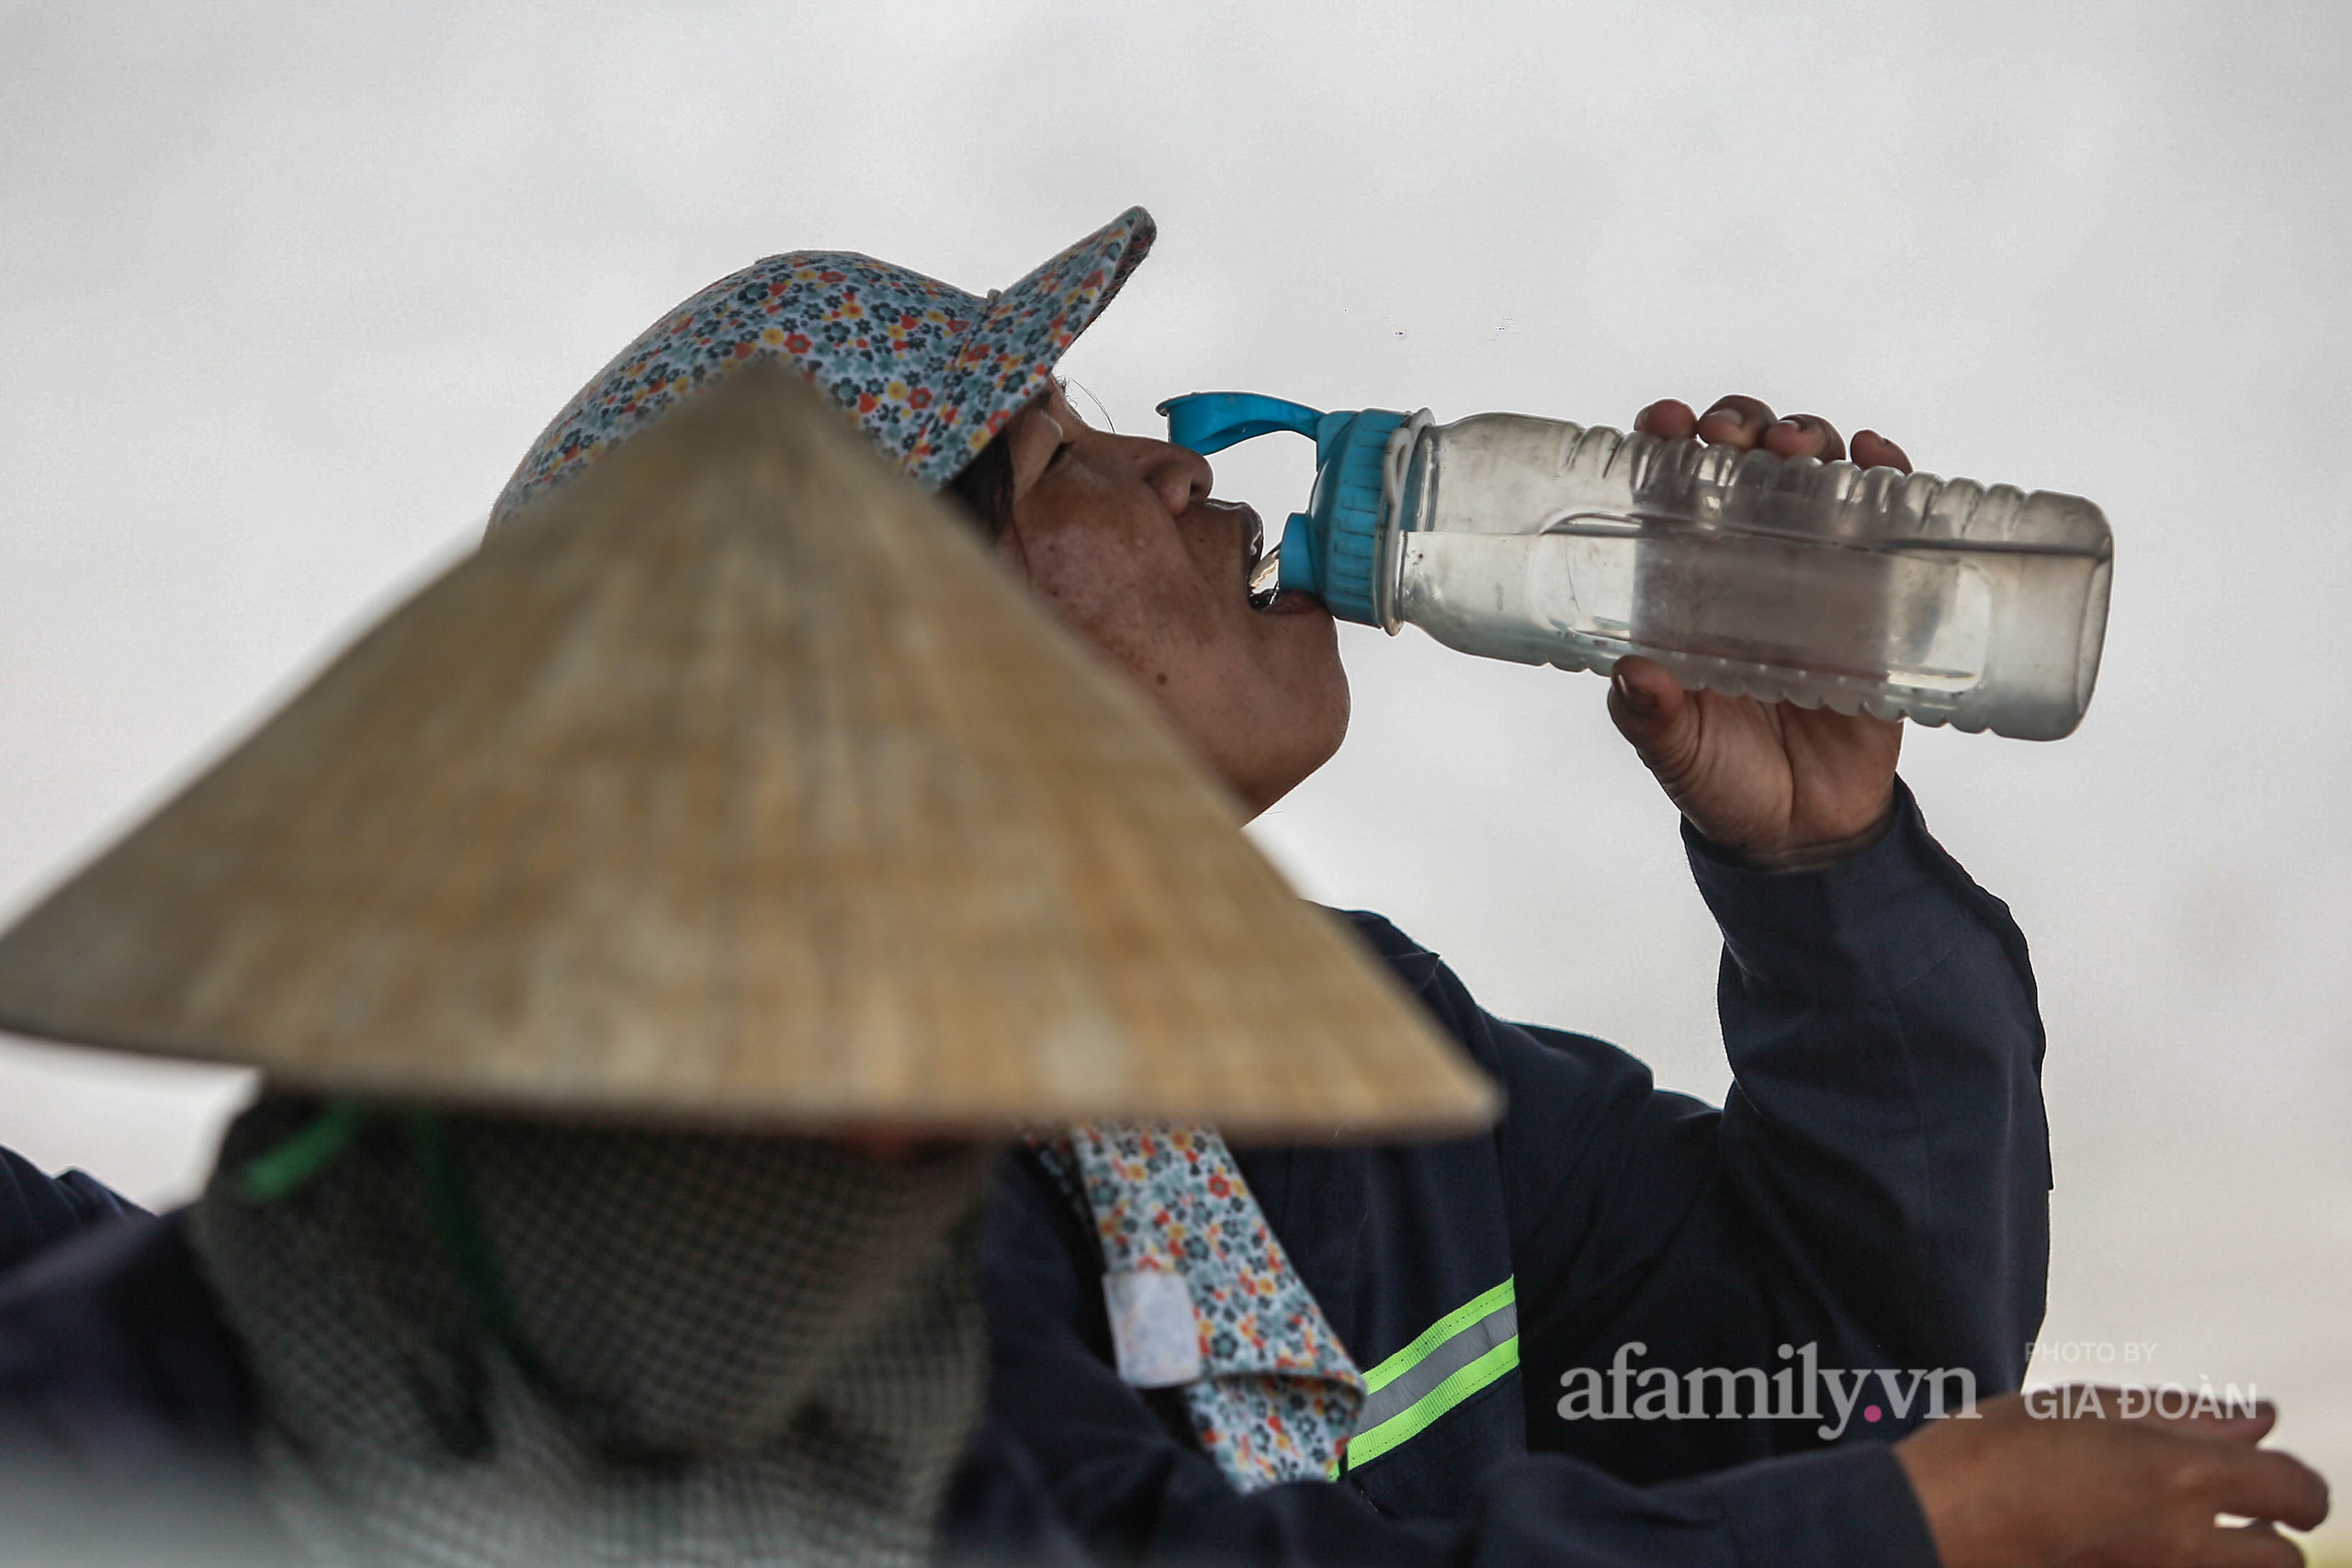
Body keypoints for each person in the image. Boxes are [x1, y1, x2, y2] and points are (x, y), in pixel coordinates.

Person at [3, 205, 2330, 1568]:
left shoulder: (1357, 1060)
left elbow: (1857, 1366)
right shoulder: (709, 1204)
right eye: (1070, 457)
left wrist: (1818, 873)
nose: (1199, 461)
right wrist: (1894, 1534)